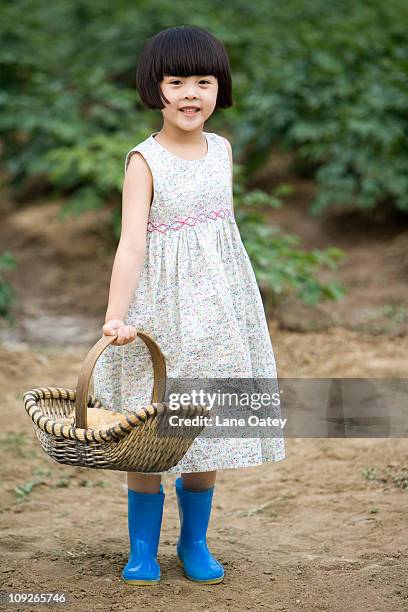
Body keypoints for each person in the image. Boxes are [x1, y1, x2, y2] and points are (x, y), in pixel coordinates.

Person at [93, 24, 286, 586]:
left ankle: (194, 542)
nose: (190, 93)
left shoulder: (221, 149)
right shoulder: (143, 160)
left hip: (218, 312)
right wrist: (117, 316)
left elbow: (220, 234)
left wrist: (235, 299)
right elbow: (131, 243)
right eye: (175, 81)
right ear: (154, 89)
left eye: (203, 81)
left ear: (219, 89)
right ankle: (141, 550)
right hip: (159, 309)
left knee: (206, 419)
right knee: (150, 427)